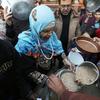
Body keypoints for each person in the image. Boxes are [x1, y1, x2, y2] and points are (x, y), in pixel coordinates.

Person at [15, 5, 73, 73]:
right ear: (35, 28)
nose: (50, 34)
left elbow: (58, 50)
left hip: (49, 70)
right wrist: (45, 81)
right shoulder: (25, 44)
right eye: (46, 31)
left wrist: (65, 60)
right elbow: (26, 69)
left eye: (52, 29)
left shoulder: (51, 36)